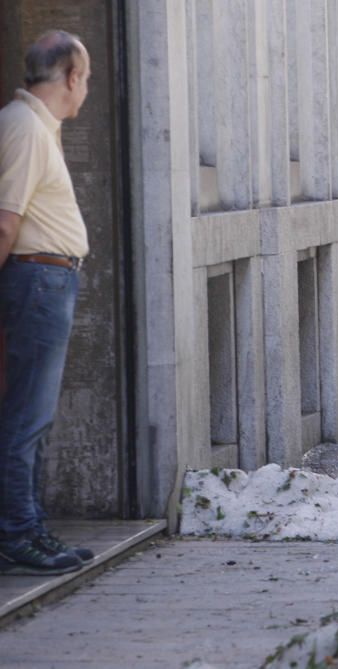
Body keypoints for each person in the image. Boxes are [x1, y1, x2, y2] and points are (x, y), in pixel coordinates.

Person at [0, 30, 94, 575]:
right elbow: (5, 221)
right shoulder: (24, 128)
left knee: (32, 418)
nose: (87, 88)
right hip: (36, 281)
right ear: (72, 77)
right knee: (24, 419)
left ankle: (29, 526)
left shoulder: (36, 126)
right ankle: (18, 533)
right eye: (87, 77)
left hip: (48, 281)